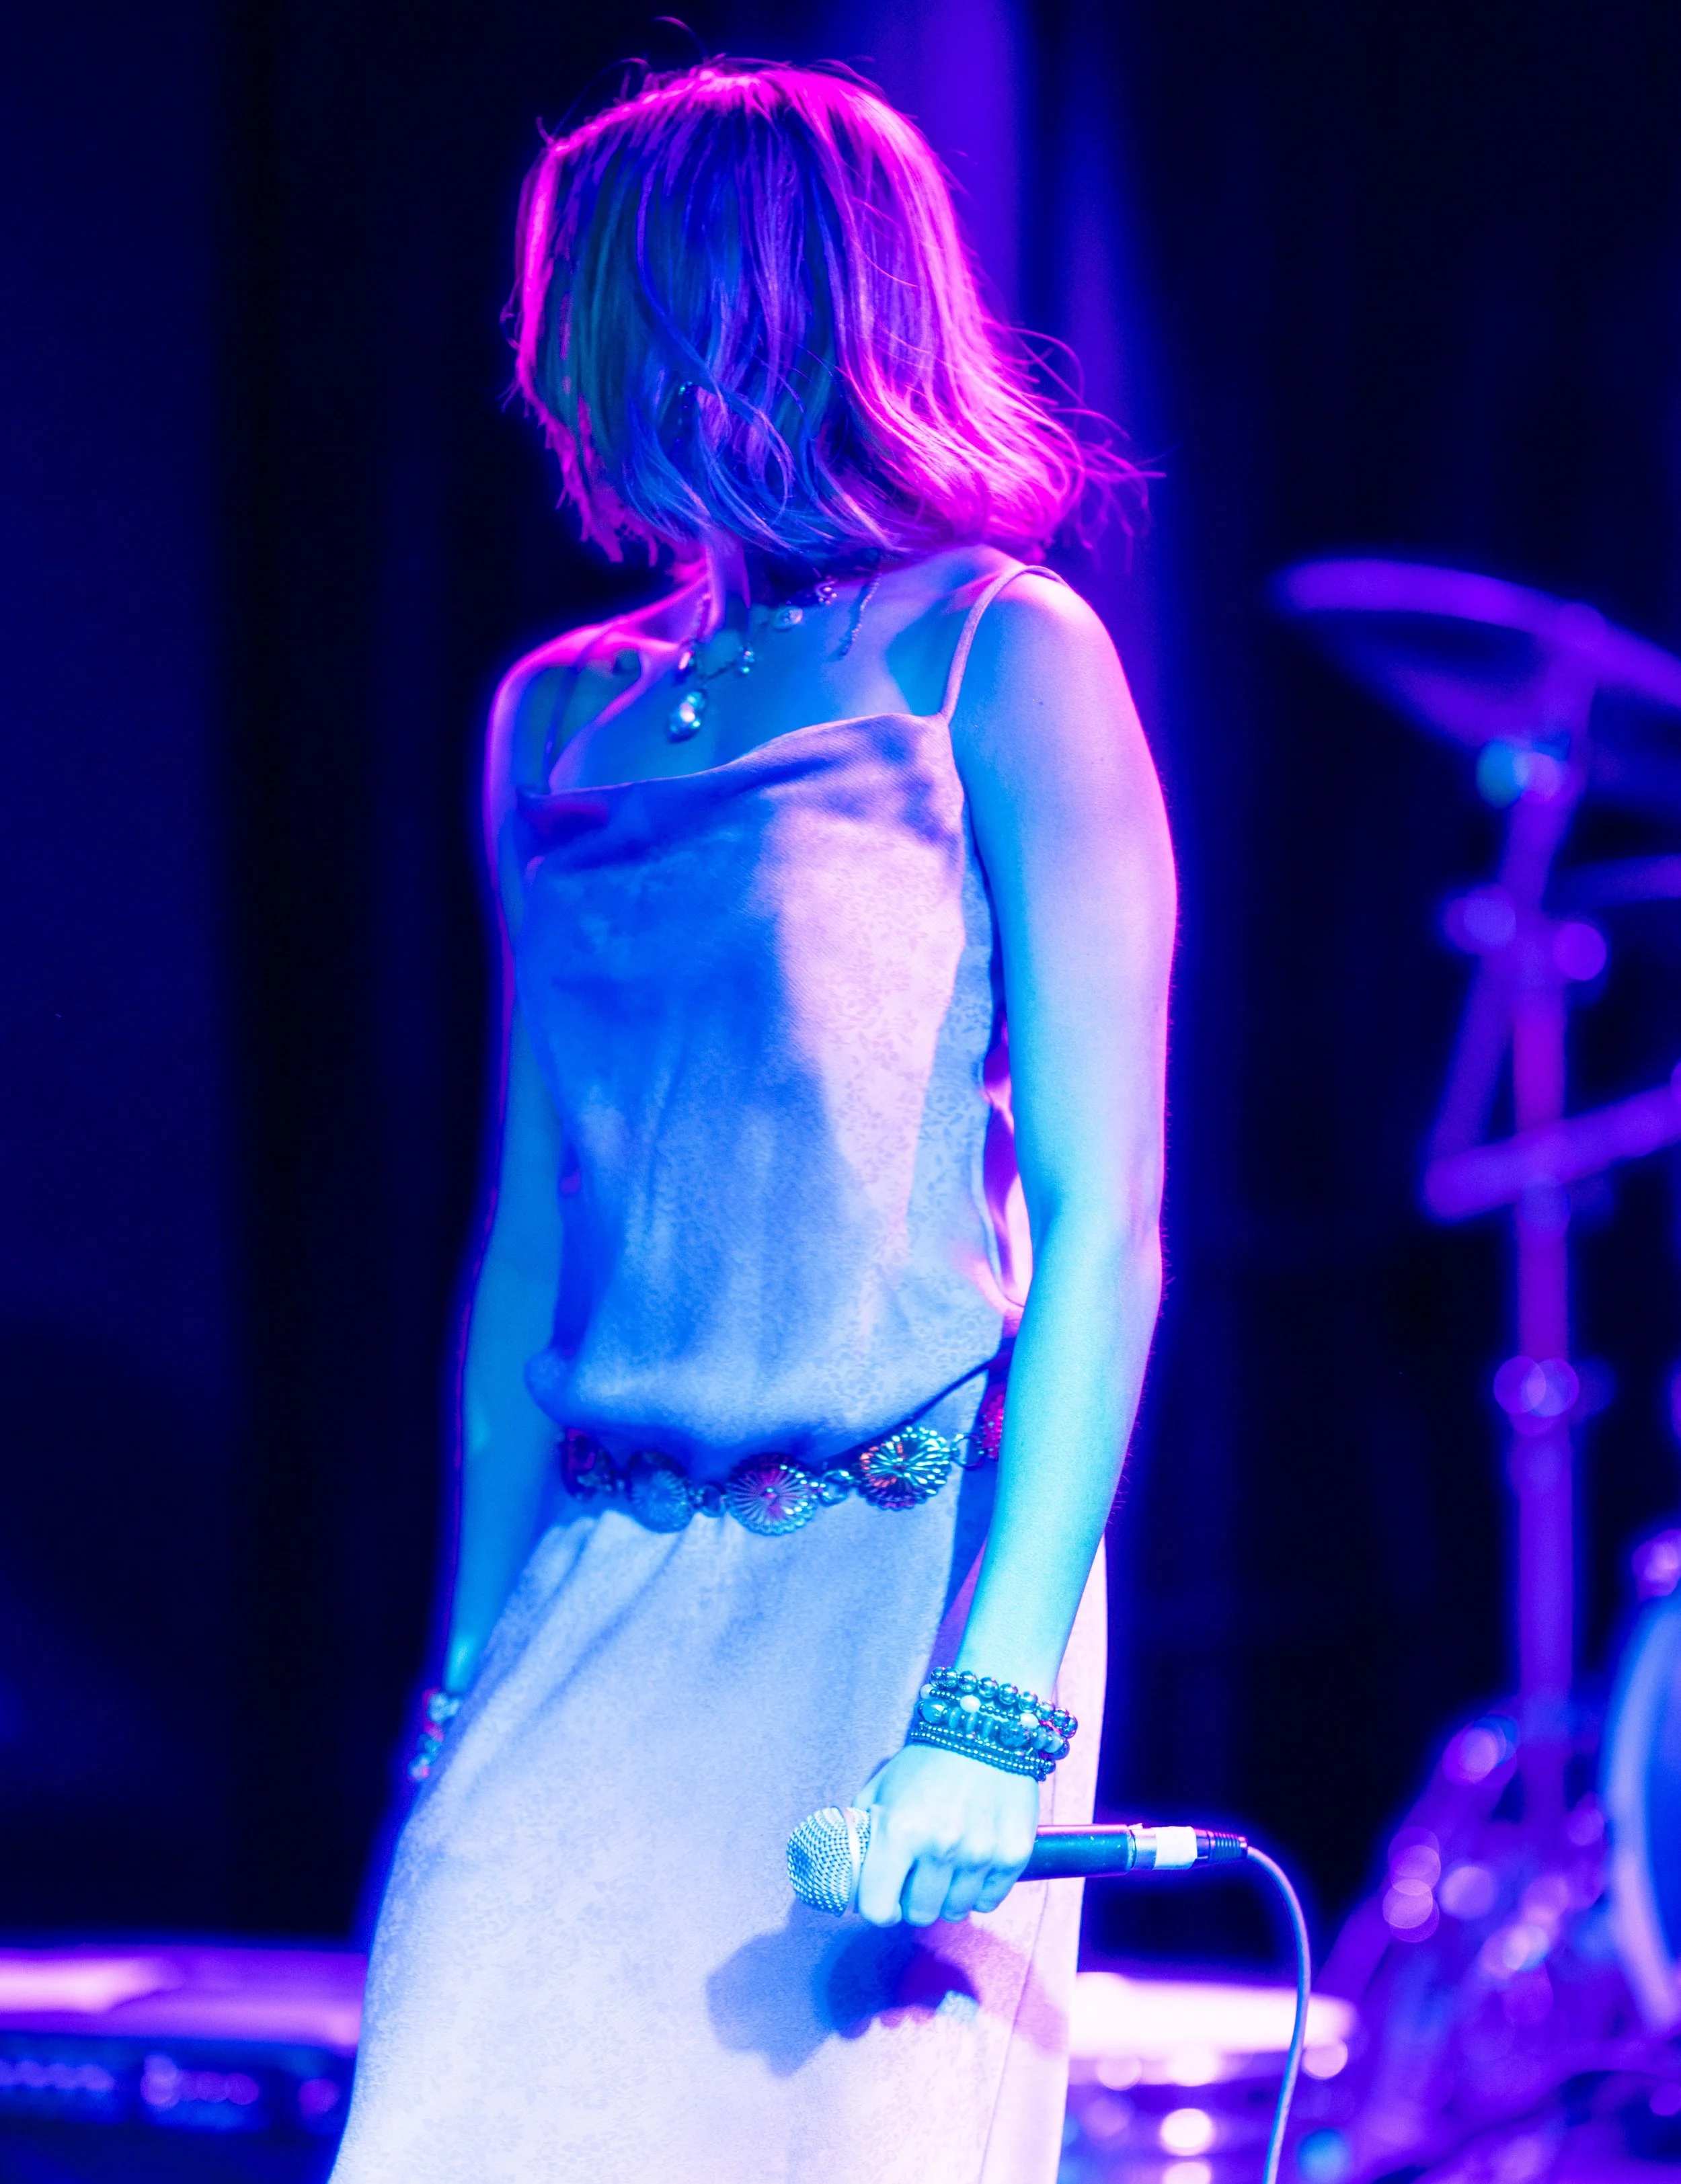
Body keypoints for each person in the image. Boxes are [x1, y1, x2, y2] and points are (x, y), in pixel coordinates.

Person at [329, 55, 1173, 2184]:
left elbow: (1101, 1224)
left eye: (596, 297)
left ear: (743, 307)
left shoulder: (1002, 656)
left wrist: (995, 1712)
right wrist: (455, 1692)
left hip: (901, 1589)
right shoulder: (561, 715)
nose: (555, 361)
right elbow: (533, 1241)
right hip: (600, 1587)